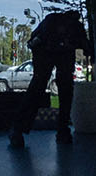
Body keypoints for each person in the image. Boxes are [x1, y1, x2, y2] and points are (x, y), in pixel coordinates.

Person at [8, 8, 90, 147]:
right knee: (53, 89)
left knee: (46, 88)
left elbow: (86, 47)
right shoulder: (62, 24)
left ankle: (19, 129)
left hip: (52, 53)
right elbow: (86, 48)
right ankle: (59, 131)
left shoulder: (64, 23)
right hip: (46, 51)